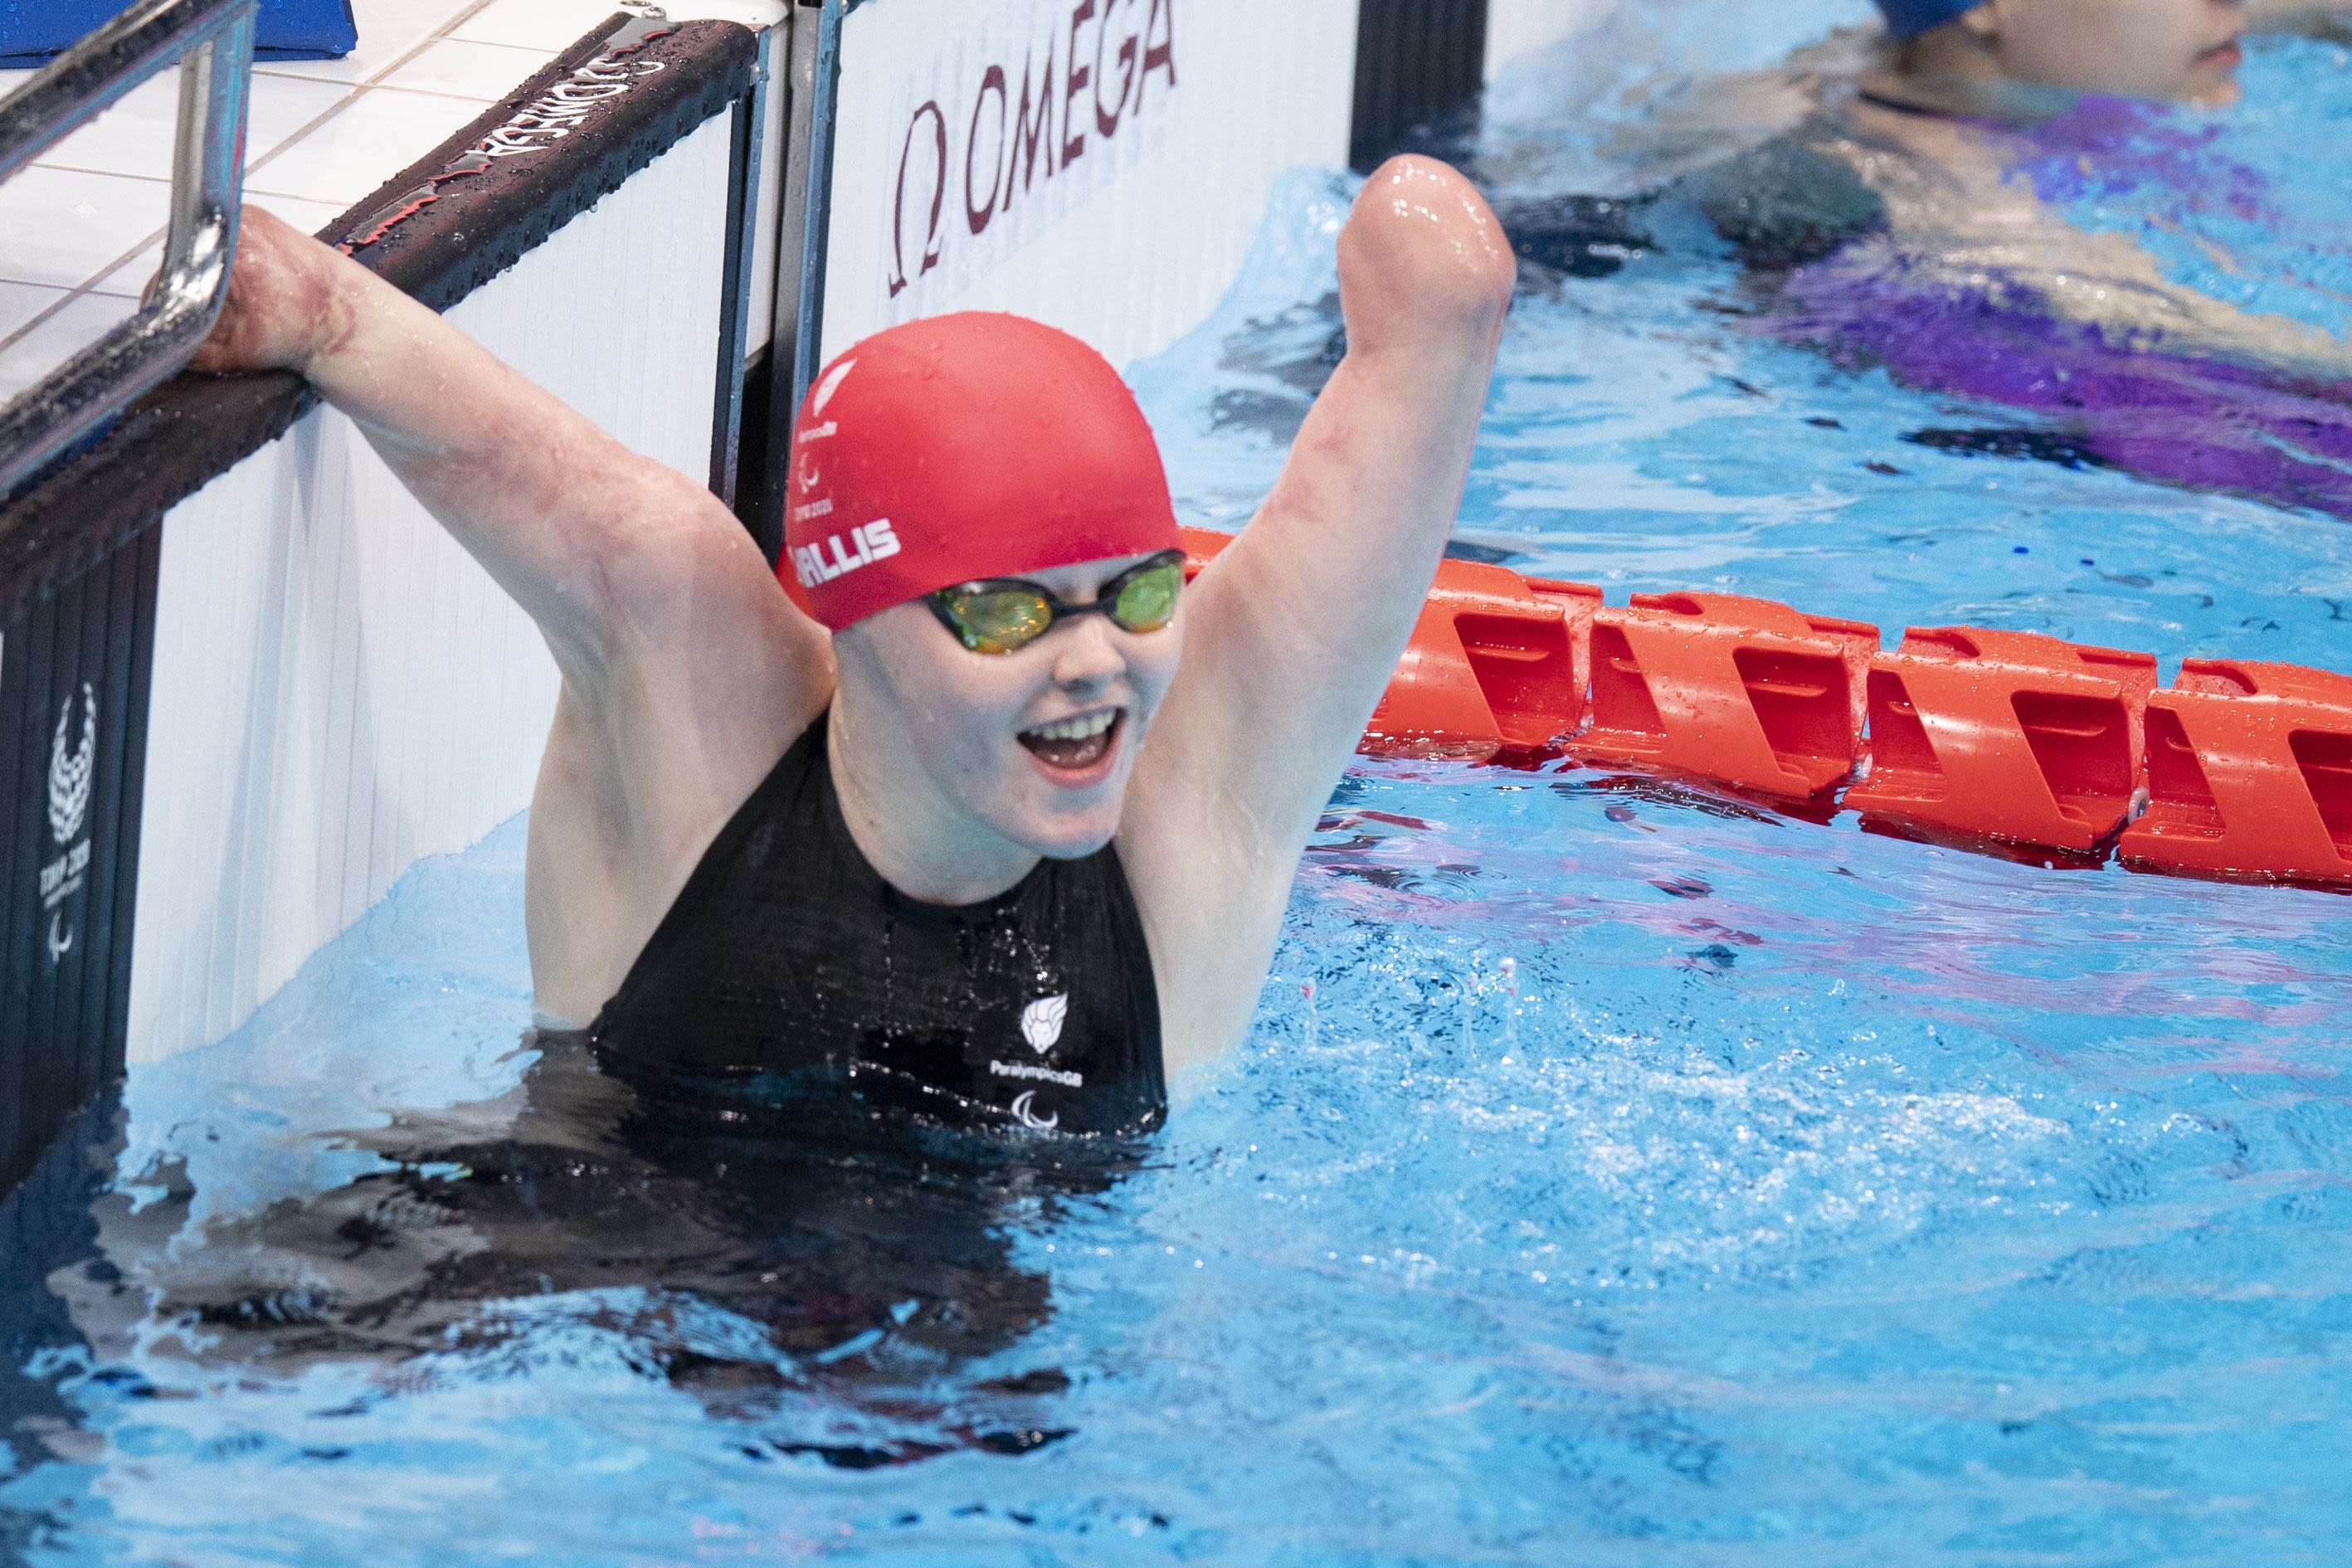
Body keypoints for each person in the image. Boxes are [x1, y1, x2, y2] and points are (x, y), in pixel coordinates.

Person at [192, 154, 1515, 1137]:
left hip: (1008, 1454)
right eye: (1007, 612)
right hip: (616, 1328)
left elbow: (1437, 322)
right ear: (855, 615)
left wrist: (1437, 253)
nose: (1100, 659)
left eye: (1141, 591)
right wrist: (289, 304)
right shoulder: (702, 721)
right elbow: (365, 345)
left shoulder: (1191, 815)